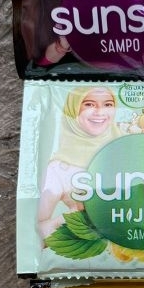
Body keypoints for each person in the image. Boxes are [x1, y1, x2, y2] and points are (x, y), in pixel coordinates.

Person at [37, 86, 121, 240]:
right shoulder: (58, 170)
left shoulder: (131, 142)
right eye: (89, 104)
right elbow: (34, 234)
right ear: (72, 109)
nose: (100, 112)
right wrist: (73, 217)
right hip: (96, 248)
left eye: (108, 104)